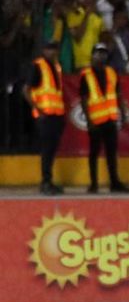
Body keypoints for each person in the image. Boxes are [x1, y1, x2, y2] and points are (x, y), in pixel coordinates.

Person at [79, 43, 129, 194]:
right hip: (96, 120)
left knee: (111, 152)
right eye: (98, 53)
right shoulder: (86, 74)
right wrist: (88, 120)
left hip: (110, 118)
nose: (101, 56)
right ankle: (93, 184)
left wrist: (124, 114)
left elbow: (118, 95)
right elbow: (83, 99)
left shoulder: (111, 72)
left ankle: (114, 183)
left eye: (104, 53)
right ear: (92, 55)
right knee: (94, 152)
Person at [23, 42, 66, 195]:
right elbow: (26, 90)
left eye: (54, 48)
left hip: (56, 115)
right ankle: (45, 182)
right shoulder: (38, 66)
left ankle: (49, 181)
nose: (52, 51)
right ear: (43, 50)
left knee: (52, 150)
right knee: (47, 150)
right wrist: (38, 109)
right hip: (45, 116)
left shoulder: (56, 67)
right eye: (49, 49)